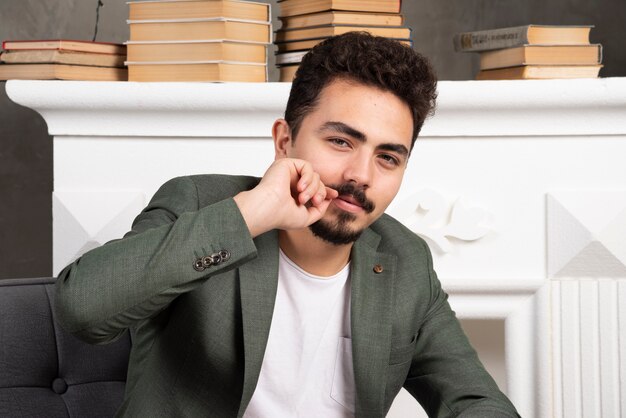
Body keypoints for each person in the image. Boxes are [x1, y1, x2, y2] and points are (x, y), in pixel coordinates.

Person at [55, 32, 519, 418]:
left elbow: (475, 399)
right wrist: (252, 214)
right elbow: (83, 308)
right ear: (285, 140)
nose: (361, 174)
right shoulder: (201, 203)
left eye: (388, 157)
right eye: (340, 141)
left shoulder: (404, 259)